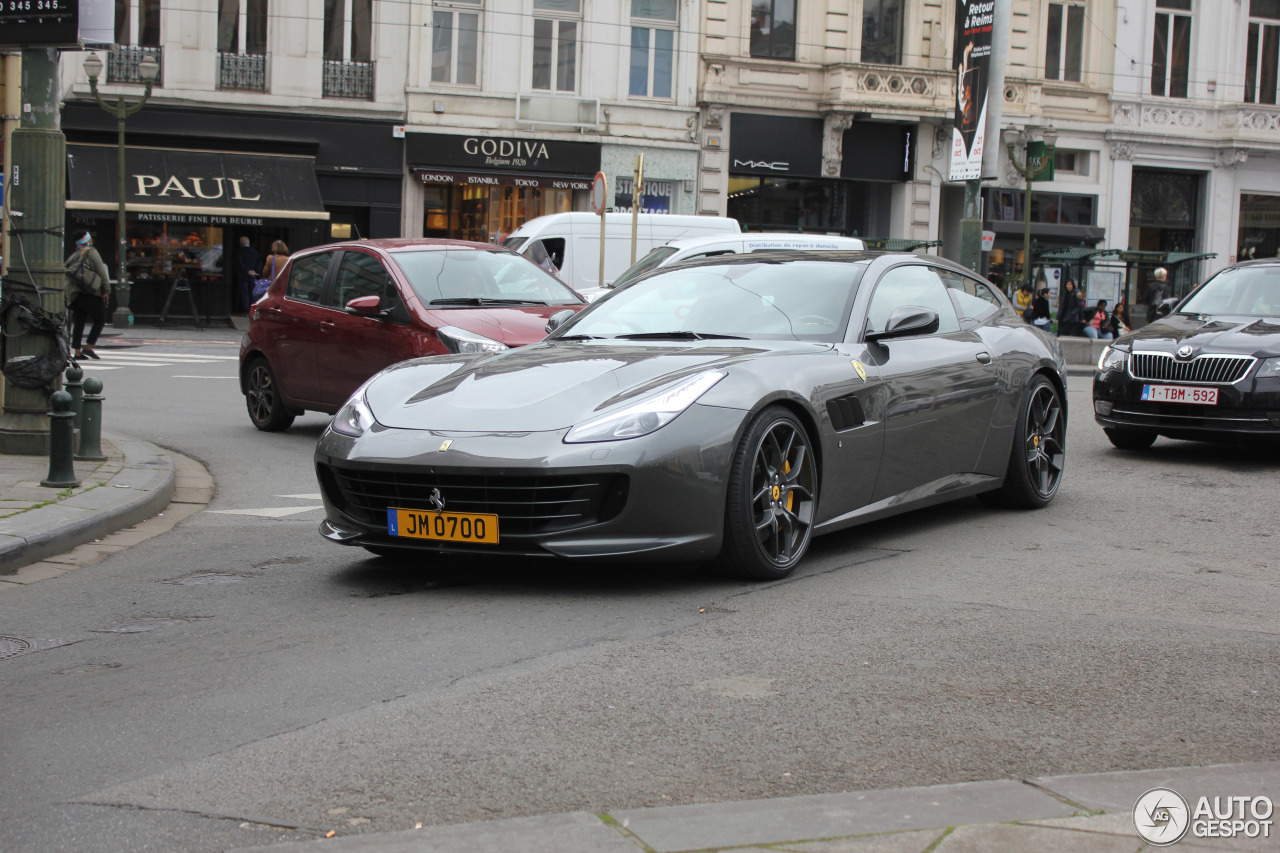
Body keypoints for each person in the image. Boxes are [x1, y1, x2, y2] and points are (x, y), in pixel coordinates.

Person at [64, 231, 112, 361]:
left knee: (80, 320)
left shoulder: (75, 254)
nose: (91, 240)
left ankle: (77, 352)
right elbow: (101, 272)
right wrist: (106, 290)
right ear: (87, 239)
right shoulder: (91, 252)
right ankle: (88, 347)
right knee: (100, 319)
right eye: (90, 238)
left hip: (74, 295)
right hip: (90, 292)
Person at [235, 236, 261, 314]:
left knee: (245, 293)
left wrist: (247, 271)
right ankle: (253, 309)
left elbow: (240, 263)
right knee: (252, 293)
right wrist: (255, 271)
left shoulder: (239, 252)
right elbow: (259, 262)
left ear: (241, 243)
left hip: (243, 275)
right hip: (253, 276)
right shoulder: (255, 251)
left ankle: (246, 310)